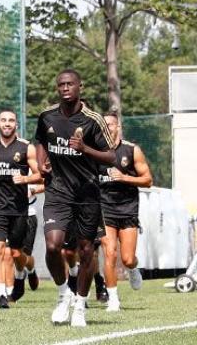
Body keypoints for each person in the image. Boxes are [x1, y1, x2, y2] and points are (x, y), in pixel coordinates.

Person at [34, 69, 115, 327]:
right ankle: (63, 294)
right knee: (52, 246)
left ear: (80, 86)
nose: (65, 88)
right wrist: (40, 163)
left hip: (87, 193)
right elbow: (40, 141)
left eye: (70, 84)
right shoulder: (47, 116)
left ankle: (80, 305)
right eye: (61, 85)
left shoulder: (93, 120)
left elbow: (111, 156)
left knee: (86, 251)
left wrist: (84, 148)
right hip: (57, 190)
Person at [0, 109, 41, 308]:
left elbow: (40, 175)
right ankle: (1, 294)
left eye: (11, 121)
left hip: (18, 209)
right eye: (3, 120)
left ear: (16, 124)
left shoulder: (26, 147)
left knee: (17, 254)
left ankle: (20, 276)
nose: (7, 124)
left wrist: (26, 179)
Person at [99, 111, 153, 311]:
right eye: (103, 126)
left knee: (127, 258)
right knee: (110, 253)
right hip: (104, 209)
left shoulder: (131, 150)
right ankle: (113, 299)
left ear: (118, 127)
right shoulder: (94, 152)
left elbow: (148, 180)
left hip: (127, 209)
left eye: (110, 125)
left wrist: (125, 178)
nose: (107, 129)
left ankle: (133, 269)